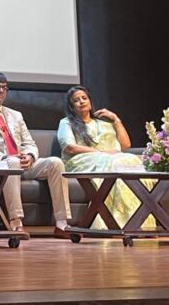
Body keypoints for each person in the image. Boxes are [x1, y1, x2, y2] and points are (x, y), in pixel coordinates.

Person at [0, 71, 72, 237]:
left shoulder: (15, 115)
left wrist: (30, 156)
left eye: (4, 88)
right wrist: (4, 157)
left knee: (55, 163)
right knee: (12, 163)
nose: (1, 91)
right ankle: (16, 223)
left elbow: (29, 143)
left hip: (21, 162)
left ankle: (62, 224)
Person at [58, 85, 153, 229]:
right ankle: (114, 222)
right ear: (71, 106)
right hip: (81, 160)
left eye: (84, 98)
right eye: (76, 100)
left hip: (111, 158)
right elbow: (70, 147)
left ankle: (137, 221)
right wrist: (102, 153)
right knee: (113, 162)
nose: (81, 102)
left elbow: (125, 145)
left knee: (130, 160)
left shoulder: (104, 123)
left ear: (90, 101)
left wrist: (116, 119)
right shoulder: (66, 122)